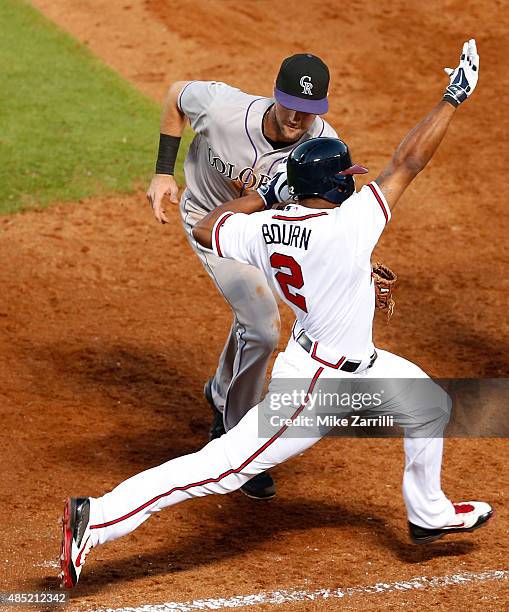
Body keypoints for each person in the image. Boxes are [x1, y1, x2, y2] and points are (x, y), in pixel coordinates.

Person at [60, 40, 493, 590]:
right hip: (315, 385)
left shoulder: (265, 230)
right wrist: (452, 98)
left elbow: (203, 228)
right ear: (336, 187)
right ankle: (95, 519)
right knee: (217, 469)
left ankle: (428, 513)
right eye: (347, 178)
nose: (353, 182)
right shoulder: (352, 223)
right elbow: (408, 161)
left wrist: (263, 196)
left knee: (429, 403)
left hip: (338, 353)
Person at [146, 53, 338, 499]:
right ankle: (236, 436)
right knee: (264, 328)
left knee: (253, 323)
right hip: (210, 223)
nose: (297, 117)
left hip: (265, 236)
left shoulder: (322, 147)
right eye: (290, 104)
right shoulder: (224, 110)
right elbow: (176, 94)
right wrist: (162, 172)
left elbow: (329, 212)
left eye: (309, 110)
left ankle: (220, 391)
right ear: (275, 94)